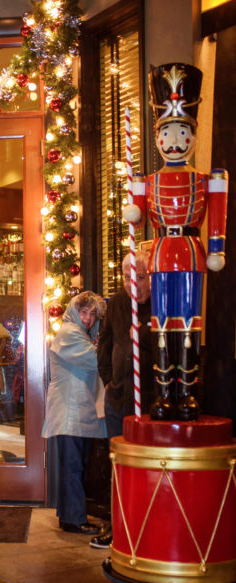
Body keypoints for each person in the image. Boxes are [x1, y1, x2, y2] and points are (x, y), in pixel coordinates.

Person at [123, 63, 228, 421]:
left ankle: (188, 394)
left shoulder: (205, 179)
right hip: (161, 255)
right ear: (157, 138)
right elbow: (136, 212)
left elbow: (216, 214)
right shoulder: (147, 181)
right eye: (167, 134)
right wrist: (133, 209)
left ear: (192, 137)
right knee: (161, 325)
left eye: (182, 133)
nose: (174, 141)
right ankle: (163, 394)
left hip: (192, 255)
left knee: (190, 325)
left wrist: (216, 249)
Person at [90, 250, 153, 549]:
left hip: (151, 403)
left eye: (140, 278)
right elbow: (104, 348)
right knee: (119, 467)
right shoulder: (115, 302)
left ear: (151, 278)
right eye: (129, 278)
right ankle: (117, 526)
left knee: (149, 468)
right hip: (119, 399)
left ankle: (147, 528)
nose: (134, 285)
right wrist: (110, 383)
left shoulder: (161, 303)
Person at [42, 291, 107, 535]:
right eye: (84, 312)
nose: (88, 318)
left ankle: (69, 516)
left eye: (93, 314)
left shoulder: (80, 333)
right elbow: (95, 360)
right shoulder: (70, 332)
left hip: (75, 411)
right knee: (74, 466)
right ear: (74, 312)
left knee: (75, 464)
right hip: (70, 411)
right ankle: (74, 519)